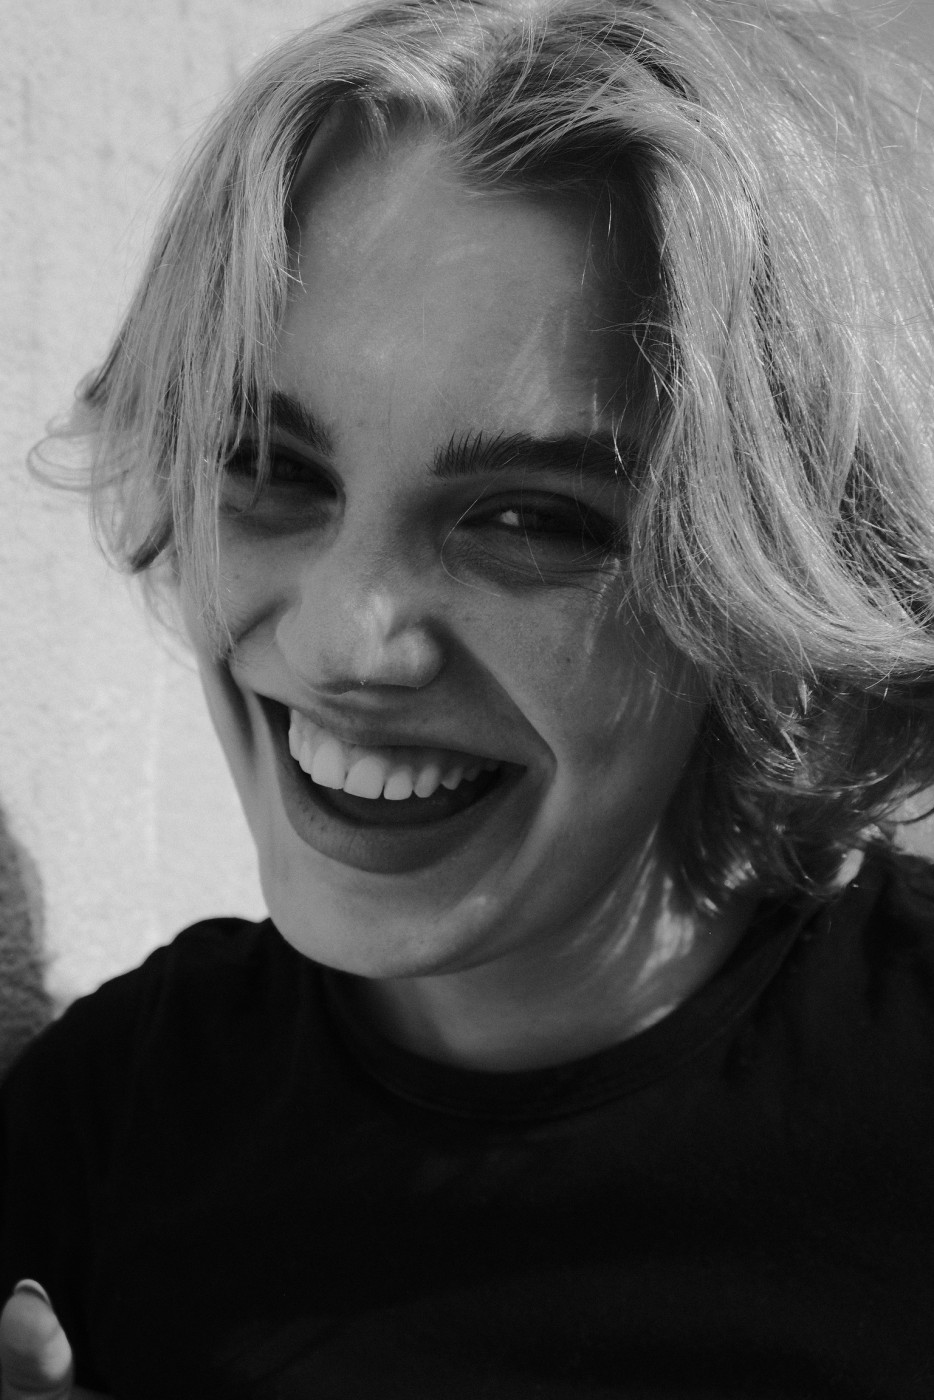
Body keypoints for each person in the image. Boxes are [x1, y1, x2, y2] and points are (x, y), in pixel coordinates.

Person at [2, 0, 934, 1393]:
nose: (343, 643)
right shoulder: (111, 1115)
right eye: (270, 466)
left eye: (532, 519)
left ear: (770, 582)